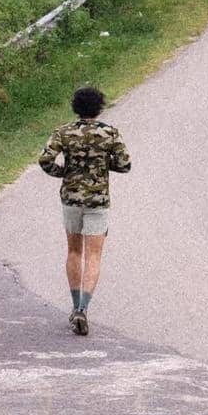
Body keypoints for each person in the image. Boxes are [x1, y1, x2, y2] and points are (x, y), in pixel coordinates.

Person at [38, 87, 131, 336]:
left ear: (75, 107)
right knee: (93, 256)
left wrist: (65, 172)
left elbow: (45, 160)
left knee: (73, 250)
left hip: (71, 197)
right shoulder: (109, 133)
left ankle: (74, 301)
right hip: (98, 200)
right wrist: (102, 164)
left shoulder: (64, 132)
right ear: (99, 108)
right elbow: (124, 164)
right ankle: (83, 307)